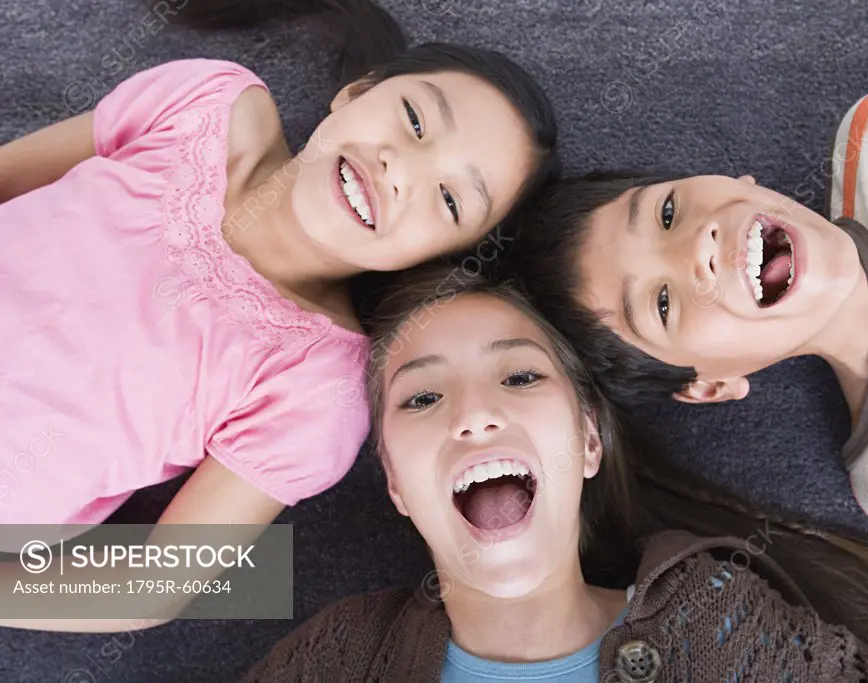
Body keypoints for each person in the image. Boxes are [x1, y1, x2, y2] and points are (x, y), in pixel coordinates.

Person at [0, 0, 557, 631]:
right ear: (355, 93)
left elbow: (151, 586)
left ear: (439, 255)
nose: (401, 168)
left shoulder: (316, 389)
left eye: (451, 199)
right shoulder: (209, 102)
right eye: (414, 119)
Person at [239, 262, 868, 683]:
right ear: (396, 482)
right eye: (424, 397)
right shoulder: (340, 654)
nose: (475, 415)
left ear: (589, 441)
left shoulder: (714, 618)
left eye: (520, 376)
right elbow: (140, 579)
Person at [507, 81, 868, 594]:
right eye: (661, 304)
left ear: (739, 180)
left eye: (667, 214)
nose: (700, 250)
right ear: (711, 386)